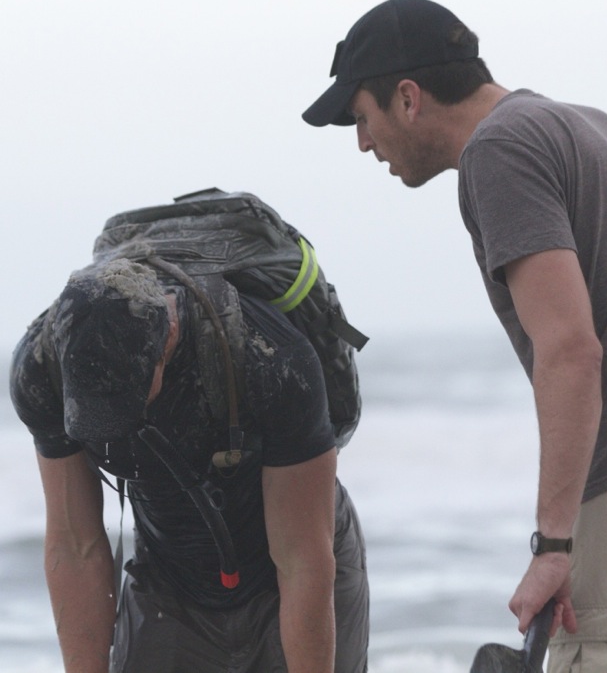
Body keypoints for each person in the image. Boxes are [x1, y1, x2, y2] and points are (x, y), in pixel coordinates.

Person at [302, 0, 607, 672]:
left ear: (407, 97)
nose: (362, 142)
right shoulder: (600, 130)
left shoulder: (500, 152)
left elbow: (569, 349)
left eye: (360, 118)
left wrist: (552, 546)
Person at [10, 256, 369, 673]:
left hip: (292, 558)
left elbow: (301, 559)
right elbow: (76, 547)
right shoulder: (41, 370)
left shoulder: (271, 358)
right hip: (167, 577)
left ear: (168, 340)